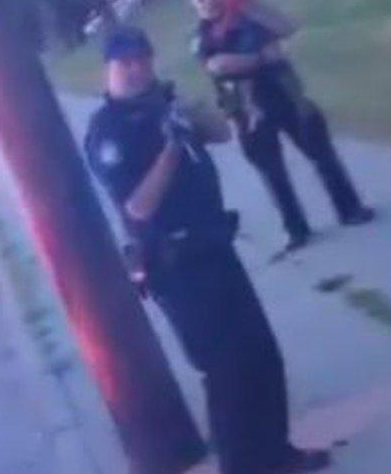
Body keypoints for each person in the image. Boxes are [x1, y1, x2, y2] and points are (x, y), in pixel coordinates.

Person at [84, 26, 331, 474]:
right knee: (225, 372)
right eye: (126, 62)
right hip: (175, 267)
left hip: (214, 245)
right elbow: (138, 207)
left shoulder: (161, 103)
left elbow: (219, 134)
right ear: (109, 68)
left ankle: (276, 453)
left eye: (143, 58)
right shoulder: (109, 132)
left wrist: (192, 115)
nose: (138, 69)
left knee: (261, 354)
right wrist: (172, 149)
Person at [191, 0, 374, 254]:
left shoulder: (247, 14)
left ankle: (350, 209)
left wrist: (254, 9)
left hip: (285, 95)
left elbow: (287, 28)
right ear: (196, 6)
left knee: (322, 154)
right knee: (272, 174)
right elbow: (219, 65)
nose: (208, 1)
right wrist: (260, 58)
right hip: (247, 112)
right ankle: (296, 229)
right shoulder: (202, 38)